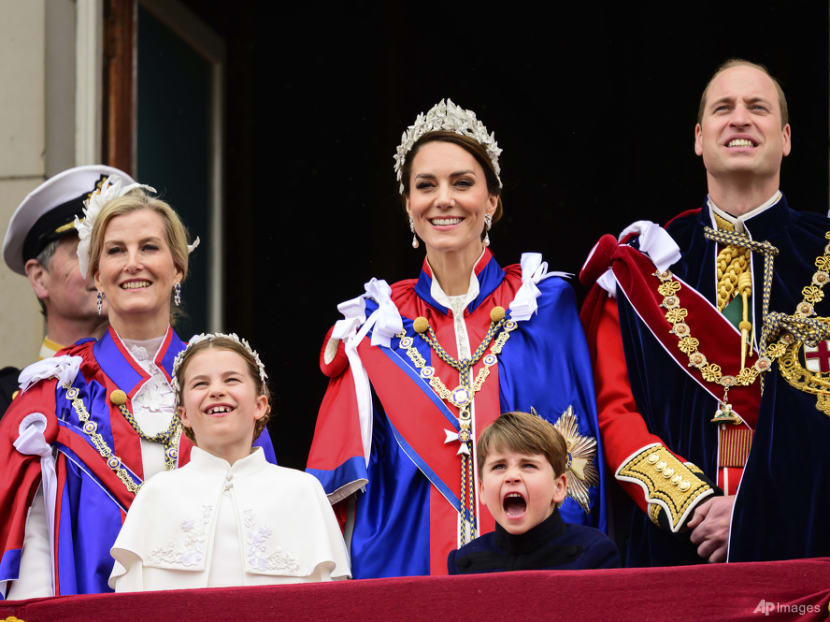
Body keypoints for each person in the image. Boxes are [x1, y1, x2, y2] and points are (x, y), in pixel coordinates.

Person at [307, 99, 607, 578]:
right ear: (408, 204)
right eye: (425, 186)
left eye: (462, 183)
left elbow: (581, 447)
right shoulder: (373, 325)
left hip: (538, 571)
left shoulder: (546, 306)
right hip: (406, 566)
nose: (443, 199)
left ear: (491, 201)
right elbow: (334, 487)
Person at [580, 59, 830, 565]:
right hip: (676, 549)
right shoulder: (642, 267)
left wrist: (757, 510)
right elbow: (614, 414)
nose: (740, 119)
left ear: (785, 138)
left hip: (808, 548)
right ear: (699, 137)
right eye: (724, 108)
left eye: (757, 108)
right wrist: (693, 505)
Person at [0, 179, 276, 598]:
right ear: (96, 274)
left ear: (178, 267)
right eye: (115, 251)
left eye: (149, 247)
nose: (133, 263)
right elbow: (32, 548)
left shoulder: (226, 384)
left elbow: (266, 520)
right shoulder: (54, 397)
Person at [109, 333, 349, 591]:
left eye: (231, 379)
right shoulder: (155, 495)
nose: (216, 391)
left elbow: (329, 604)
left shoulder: (304, 491)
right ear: (184, 414)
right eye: (201, 384)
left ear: (260, 405)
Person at [0, 165, 134, 415]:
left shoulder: (165, 383)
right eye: (85, 254)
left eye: (113, 251)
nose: (104, 268)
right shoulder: (7, 400)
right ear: (39, 277)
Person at [448, 411, 618, 573]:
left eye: (528, 465)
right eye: (499, 466)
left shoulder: (594, 554)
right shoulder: (464, 563)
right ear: (482, 490)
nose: (512, 476)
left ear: (558, 488)